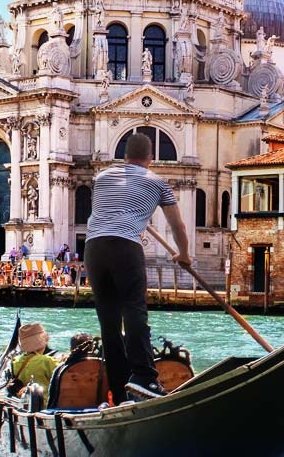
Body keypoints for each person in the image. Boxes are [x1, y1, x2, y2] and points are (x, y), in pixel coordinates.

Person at [84, 132, 191, 404]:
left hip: (94, 247)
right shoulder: (157, 182)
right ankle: (143, 377)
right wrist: (184, 255)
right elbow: (177, 225)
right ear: (151, 158)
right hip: (125, 246)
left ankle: (120, 391)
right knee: (134, 310)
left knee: (109, 321)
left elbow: (108, 211)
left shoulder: (102, 178)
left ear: (124, 156)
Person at [12, 322, 59, 405]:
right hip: (45, 406)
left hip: (26, 405)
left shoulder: (16, 361)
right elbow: (64, 378)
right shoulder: (46, 361)